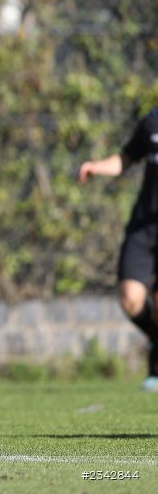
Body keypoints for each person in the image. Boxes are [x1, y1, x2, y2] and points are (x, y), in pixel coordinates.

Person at [78, 110, 158, 391]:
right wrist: (96, 167)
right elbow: (125, 158)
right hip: (143, 229)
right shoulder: (152, 122)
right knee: (130, 298)